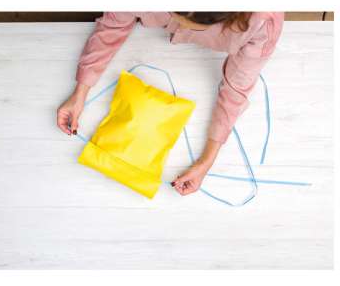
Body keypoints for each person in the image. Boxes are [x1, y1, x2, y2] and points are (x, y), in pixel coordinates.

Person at [57, 12, 284, 196]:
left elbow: (237, 87)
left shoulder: (262, 22)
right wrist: (80, 92)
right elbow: (114, 25)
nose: (178, 23)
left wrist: (206, 160)